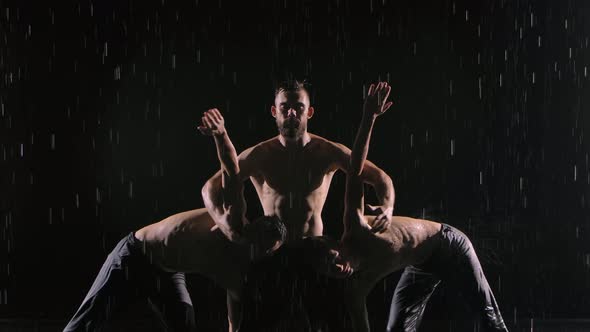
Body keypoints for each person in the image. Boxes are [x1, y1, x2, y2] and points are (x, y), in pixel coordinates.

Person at [304, 82, 509, 332]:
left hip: (448, 245)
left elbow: (355, 170)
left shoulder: (356, 227)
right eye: (330, 271)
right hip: (421, 266)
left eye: (332, 259)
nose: (338, 268)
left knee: (488, 316)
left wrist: (369, 117)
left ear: (336, 245)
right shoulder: (355, 288)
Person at [63, 109, 287, 332]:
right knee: (84, 326)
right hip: (136, 255)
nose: (254, 252)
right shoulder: (233, 221)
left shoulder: (238, 277)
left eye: (263, 252)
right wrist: (221, 134)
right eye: (255, 244)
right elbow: (231, 171)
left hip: (169, 274)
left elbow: (234, 321)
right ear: (252, 232)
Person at [201, 80, 396, 243]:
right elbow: (210, 187)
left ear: (309, 112)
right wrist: (222, 222)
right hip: (272, 248)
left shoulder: (326, 151)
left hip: (314, 247)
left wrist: (388, 208)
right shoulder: (259, 154)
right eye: (284, 107)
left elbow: (381, 178)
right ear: (274, 111)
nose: (291, 113)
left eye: (298, 107)